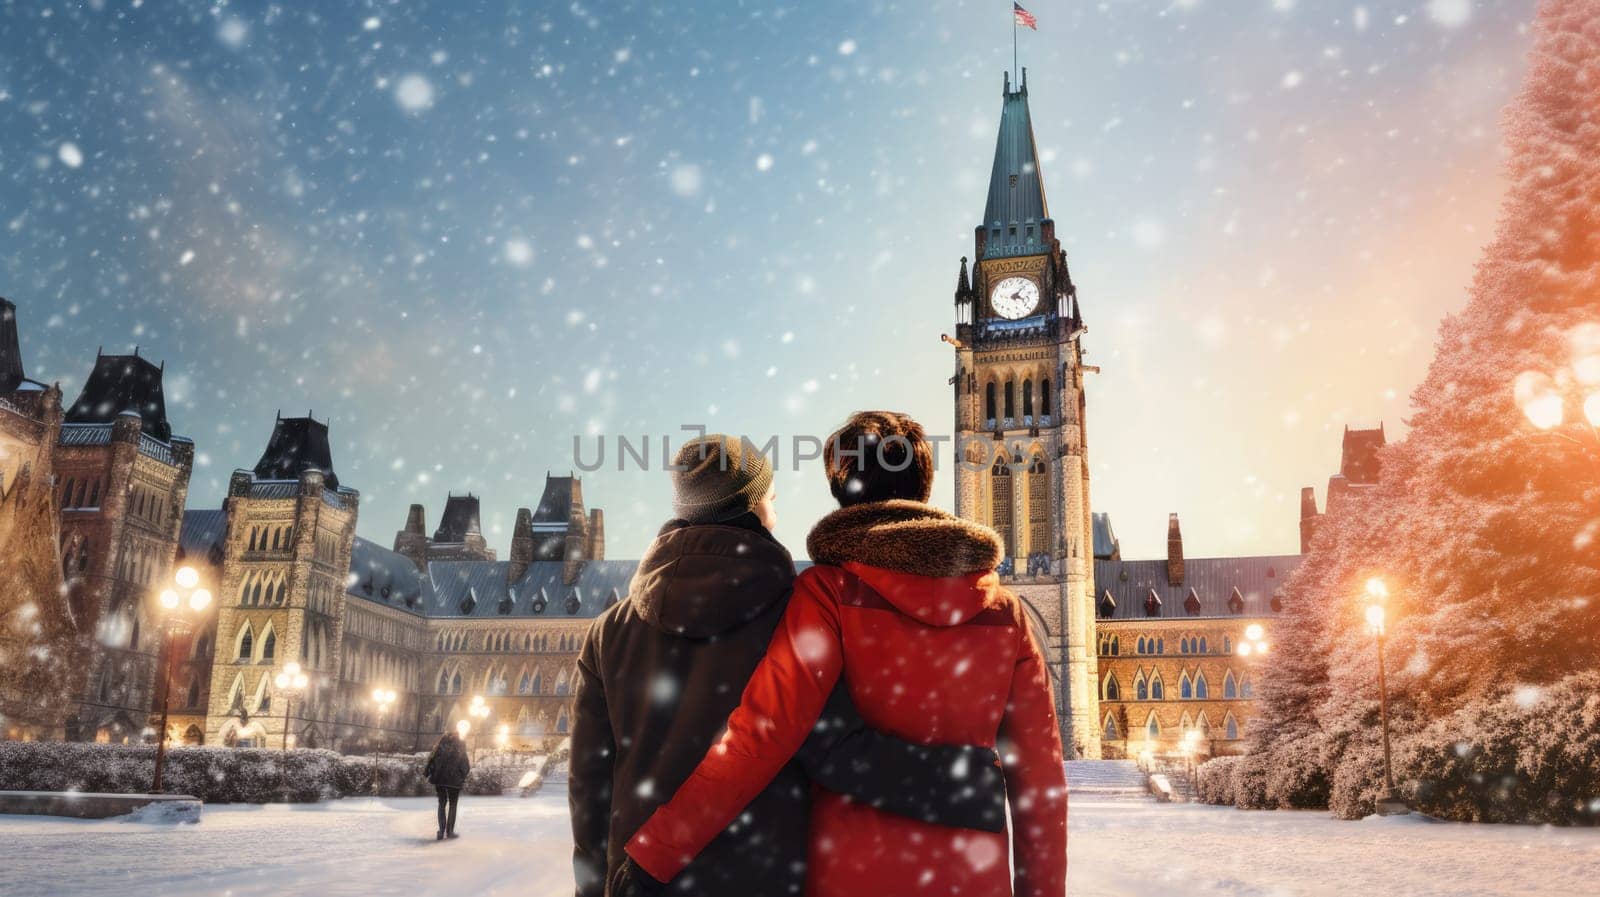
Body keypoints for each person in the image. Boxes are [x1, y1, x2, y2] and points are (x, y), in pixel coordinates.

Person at [622, 413, 1068, 897]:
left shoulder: (827, 592)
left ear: (841, 491)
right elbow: (1040, 782)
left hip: (851, 874)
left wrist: (657, 853)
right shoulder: (1004, 611)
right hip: (971, 877)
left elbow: (762, 734)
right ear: (924, 485)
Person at [424, 730, 471, 841]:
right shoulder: (460, 744)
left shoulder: (442, 743)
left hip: (440, 778)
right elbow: (465, 764)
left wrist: (430, 773)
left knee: (442, 804)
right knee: (453, 804)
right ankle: (449, 832)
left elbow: (432, 759)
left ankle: (441, 831)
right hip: (454, 780)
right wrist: (461, 776)